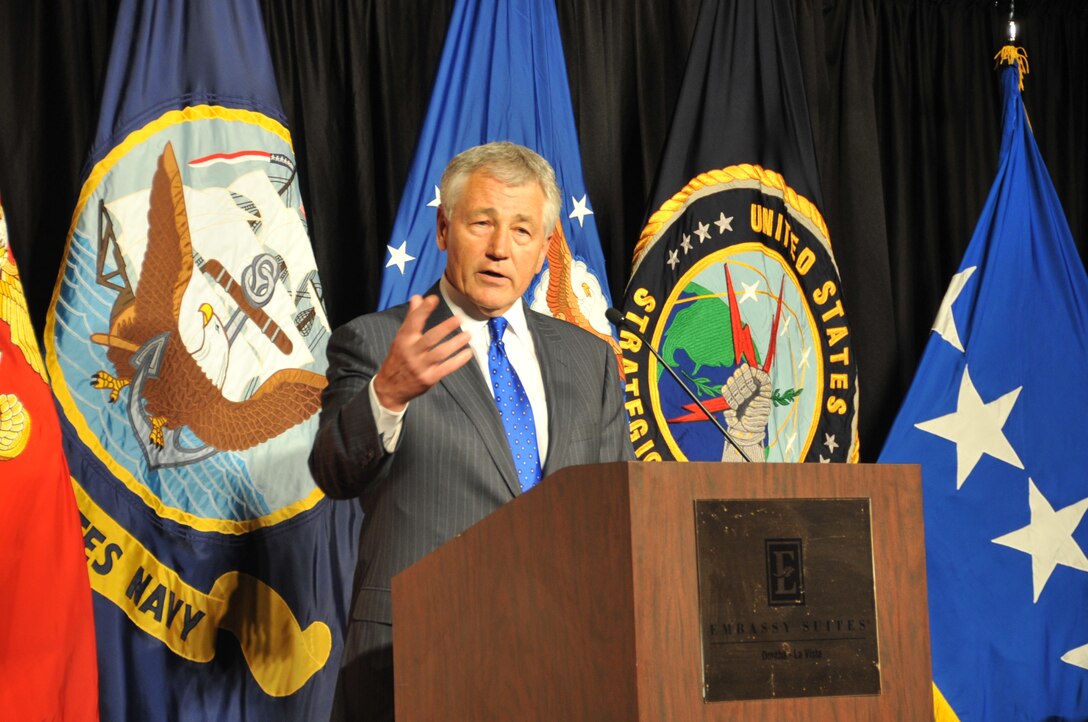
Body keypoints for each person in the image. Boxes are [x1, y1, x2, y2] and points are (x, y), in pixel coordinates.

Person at [309, 141, 634, 720]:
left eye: (522, 231)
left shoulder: (592, 360)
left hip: (564, 663)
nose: (499, 250)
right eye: (481, 222)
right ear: (442, 229)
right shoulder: (376, 343)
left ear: (545, 249)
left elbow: (614, 517)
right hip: (417, 658)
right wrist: (387, 395)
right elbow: (332, 471)